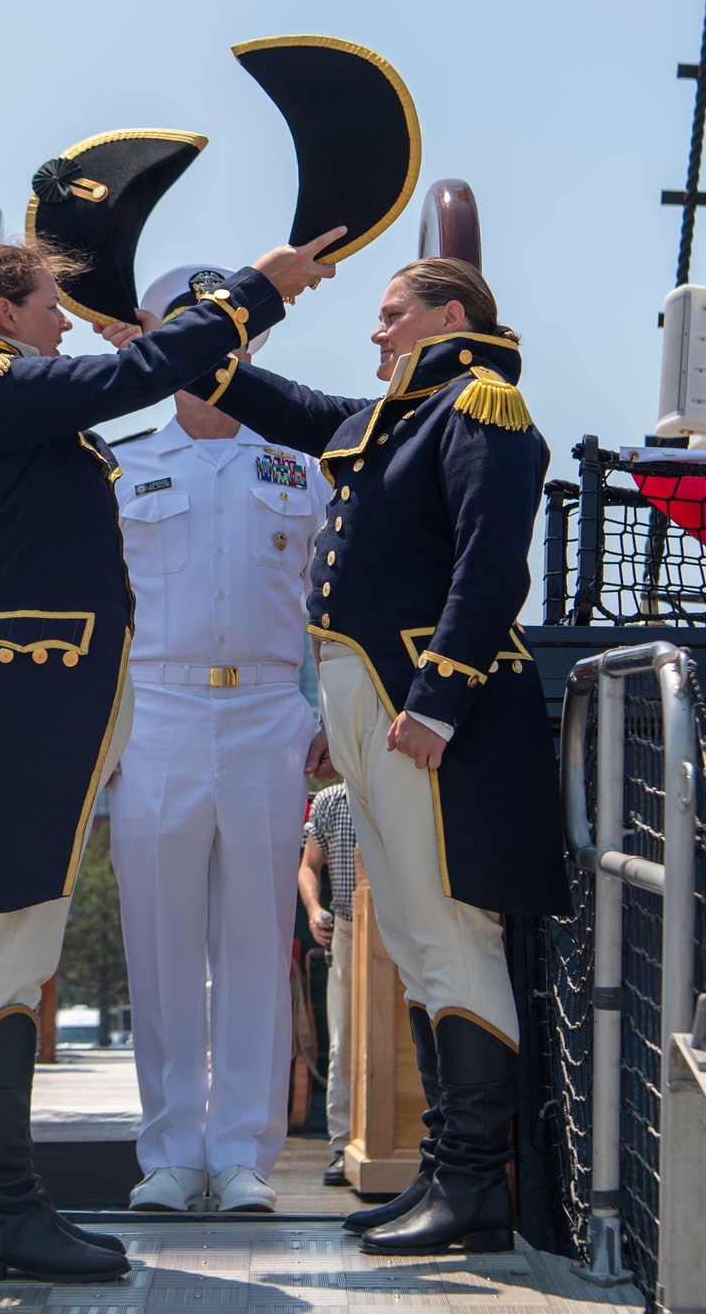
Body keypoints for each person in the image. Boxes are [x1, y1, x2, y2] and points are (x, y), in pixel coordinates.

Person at [0, 228, 342, 1283]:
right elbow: (134, 374)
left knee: (28, 950)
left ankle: (17, 1203)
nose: (67, 322)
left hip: (60, 707)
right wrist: (256, 292)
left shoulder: (9, 393)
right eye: (52, 306)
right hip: (44, 705)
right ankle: (3, 1209)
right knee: (20, 950)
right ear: (5, 314)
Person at [176, 256, 570, 1256]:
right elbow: (278, 398)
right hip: (369, 700)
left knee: (449, 935)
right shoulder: (394, 419)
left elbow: (492, 560)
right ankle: (446, 1172)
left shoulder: (479, 403)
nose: (375, 332)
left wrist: (438, 700)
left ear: (448, 314)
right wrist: (168, 338)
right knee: (409, 930)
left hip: (424, 705)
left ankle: (477, 1184)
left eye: (391, 314)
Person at [107, 265, 332, 1215]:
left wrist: (332, 711)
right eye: (192, 331)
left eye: (228, 333)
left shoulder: (306, 467)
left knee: (254, 943)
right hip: (152, 710)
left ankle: (241, 1153)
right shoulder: (116, 466)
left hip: (272, 715)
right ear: (159, 340)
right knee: (158, 944)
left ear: (252, 346)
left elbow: (337, 599)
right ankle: (168, 1154)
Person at [297, 782, 356, 1185]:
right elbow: (308, 865)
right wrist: (315, 909)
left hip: (405, 923)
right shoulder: (331, 800)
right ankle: (343, 1143)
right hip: (351, 925)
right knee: (344, 1037)